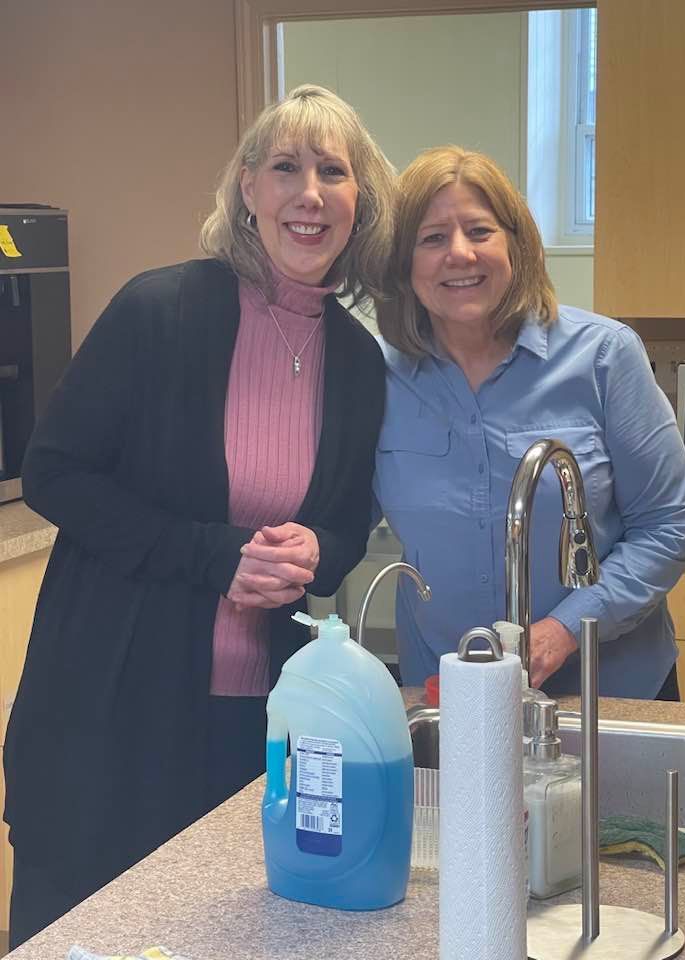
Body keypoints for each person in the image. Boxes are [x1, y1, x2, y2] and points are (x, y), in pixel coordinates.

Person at [4, 84, 395, 948]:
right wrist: (212, 555)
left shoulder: (361, 362)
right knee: (88, 933)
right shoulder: (160, 311)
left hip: (255, 719)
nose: (310, 192)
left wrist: (314, 546)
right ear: (248, 190)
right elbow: (54, 472)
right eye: (286, 167)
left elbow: (340, 536)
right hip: (114, 703)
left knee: (225, 933)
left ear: (358, 201)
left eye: (334, 171)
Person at [373, 145, 685, 701]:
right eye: (431, 238)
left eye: (479, 231)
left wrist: (567, 628)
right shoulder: (380, 377)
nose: (459, 254)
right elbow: (339, 515)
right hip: (450, 692)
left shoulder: (603, 357)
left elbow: (668, 526)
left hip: (607, 691)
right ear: (404, 264)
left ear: (516, 245)